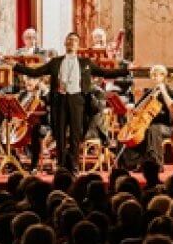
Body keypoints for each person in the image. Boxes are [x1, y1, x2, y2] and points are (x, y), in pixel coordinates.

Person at [12, 32, 129, 175]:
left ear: (78, 44)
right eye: (69, 40)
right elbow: (36, 72)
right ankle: (61, 166)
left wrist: (126, 70)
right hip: (59, 101)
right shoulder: (55, 61)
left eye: (74, 40)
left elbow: (105, 72)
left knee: (75, 135)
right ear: (65, 43)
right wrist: (16, 66)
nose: (71, 42)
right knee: (59, 135)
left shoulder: (85, 63)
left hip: (77, 101)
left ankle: (74, 167)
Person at [119, 64, 173, 171]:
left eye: (157, 75)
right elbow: (137, 108)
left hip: (166, 126)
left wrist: (163, 90)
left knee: (153, 129)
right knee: (138, 132)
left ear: (163, 76)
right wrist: (132, 107)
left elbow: (172, 108)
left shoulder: (170, 91)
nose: (154, 78)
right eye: (153, 75)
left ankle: (156, 164)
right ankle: (138, 163)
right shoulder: (150, 92)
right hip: (148, 124)